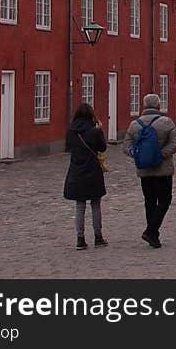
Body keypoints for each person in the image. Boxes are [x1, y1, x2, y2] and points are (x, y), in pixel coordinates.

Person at [123, 93, 176, 248]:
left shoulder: (135, 124)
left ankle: (153, 235)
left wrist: (138, 155)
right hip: (163, 170)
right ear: (158, 105)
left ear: (144, 106)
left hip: (144, 170)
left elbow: (126, 146)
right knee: (164, 200)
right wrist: (161, 154)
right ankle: (151, 231)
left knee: (149, 201)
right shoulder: (166, 122)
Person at [63, 103, 108, 250]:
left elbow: (68, 147)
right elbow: (102, 147)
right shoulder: (94, 131)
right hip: (93, 170)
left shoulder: (71, 131)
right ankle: (98, 236)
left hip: (76, 169)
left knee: (80, 206)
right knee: (95, 204)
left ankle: (80, 238)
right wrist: (99, 130)